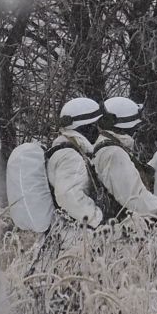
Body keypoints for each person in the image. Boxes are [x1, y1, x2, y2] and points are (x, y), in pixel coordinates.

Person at [92, 97, 157, 220]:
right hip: (124, 228)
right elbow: (133, 196)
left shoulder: (106, 146)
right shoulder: (114, 153)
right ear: (126, 127)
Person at [46, 97, 106, 227]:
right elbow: (68, 196)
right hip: (74, 235)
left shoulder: (67, 149)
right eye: (96, 125)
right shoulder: (71, 157)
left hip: (73, 228)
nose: (99, 130)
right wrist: (98, 220)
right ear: (86, 127)